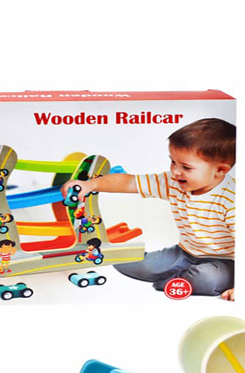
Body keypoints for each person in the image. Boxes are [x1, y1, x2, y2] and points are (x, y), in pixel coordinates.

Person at [60, 118, 235, 299]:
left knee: (207, 279)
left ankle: (172, 282)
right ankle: (181, 276)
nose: (175, 171)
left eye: (186, 167)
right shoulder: (172, 181)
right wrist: (91, 185)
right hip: (185, 253)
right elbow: (129, 182)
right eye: (173, 162)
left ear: (220, 170)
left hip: (227, 263)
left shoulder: (232, 199)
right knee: (125, 263)